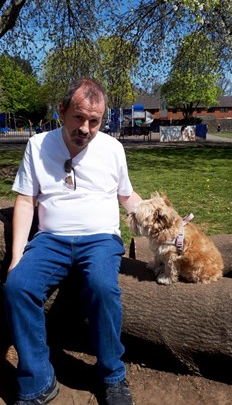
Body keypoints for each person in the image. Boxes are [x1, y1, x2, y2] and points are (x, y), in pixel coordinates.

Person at [4, 77, 142, 405]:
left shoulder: (113, 149)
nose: (85, 128)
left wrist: (164, 222)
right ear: (62, 111)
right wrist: (16, 256)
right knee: (17, 285)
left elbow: (127, 195)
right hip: (51, 240)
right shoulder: (38, 146)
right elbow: (26, 201)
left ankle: (112, 375)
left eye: (94, 121)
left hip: (100, 240)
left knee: (101, 286)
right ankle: (38, 380)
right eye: (78, 117)